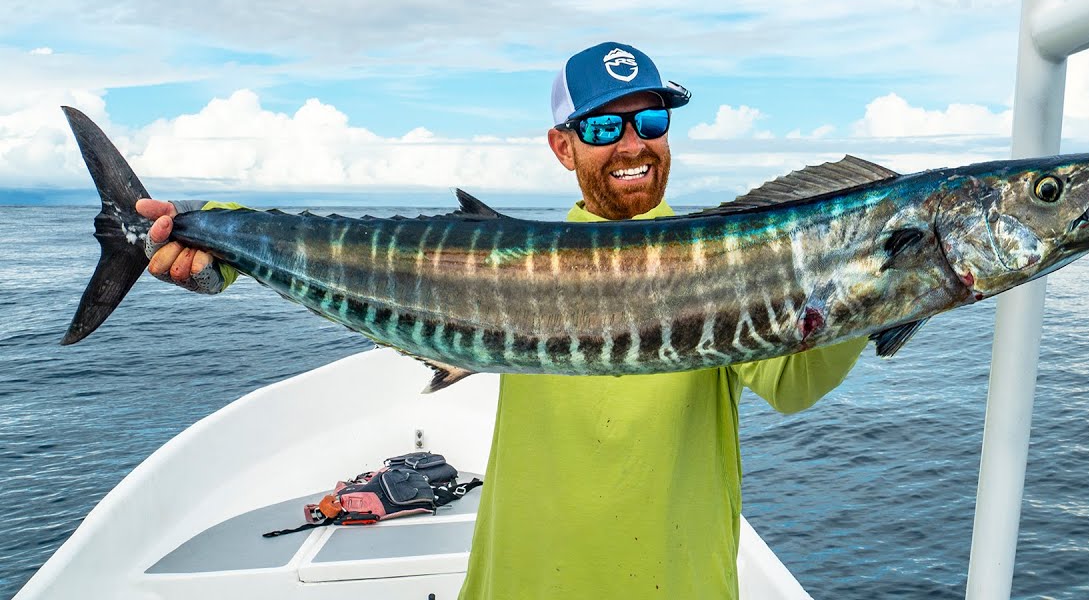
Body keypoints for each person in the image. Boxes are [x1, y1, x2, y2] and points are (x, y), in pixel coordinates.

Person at [139, 41, 868, 599]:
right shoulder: (506, 260)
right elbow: (360, 261)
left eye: (651, 119)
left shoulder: (733, 257)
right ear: (563, 145)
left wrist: (871, 280)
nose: (633, 143)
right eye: (604, 125)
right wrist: (214, 247)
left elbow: (794, 383)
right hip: (520, 577)